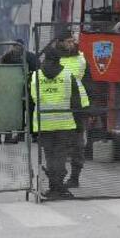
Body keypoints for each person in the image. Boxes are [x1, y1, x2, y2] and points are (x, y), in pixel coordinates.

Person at [31, 46, 81, 199]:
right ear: (59, 59)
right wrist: (78, 122)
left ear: (44, 58)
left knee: (50, 156)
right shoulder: (67, 75)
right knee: (60, 156)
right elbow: (75, 100)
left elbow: (33, 98)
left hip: (44, 123)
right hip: (64, 123)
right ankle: (58, 188)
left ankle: (53, 188)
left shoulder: (36, 76)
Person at [54, 26, 91, 188]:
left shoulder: (81, 59)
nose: (72, 44)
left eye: (72, 41)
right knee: (59, 145)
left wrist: (91, 105)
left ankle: (75, 177)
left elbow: (89, 83)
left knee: (77, 145)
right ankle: (57, 178)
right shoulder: (52, 59)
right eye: (68, 41)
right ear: (60, 43)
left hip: (77, 109)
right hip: (58, 108)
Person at [0, 39, 39, 144]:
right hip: (12, 89)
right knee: (17, 112)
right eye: (14, 46)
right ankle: (16, 134)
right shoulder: (7, 57)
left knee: (29, 110)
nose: (16, 48)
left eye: (18, 46)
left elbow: (36, 71)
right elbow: (0, 71)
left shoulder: (29, 57)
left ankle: (31, 134)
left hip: (26, 88)